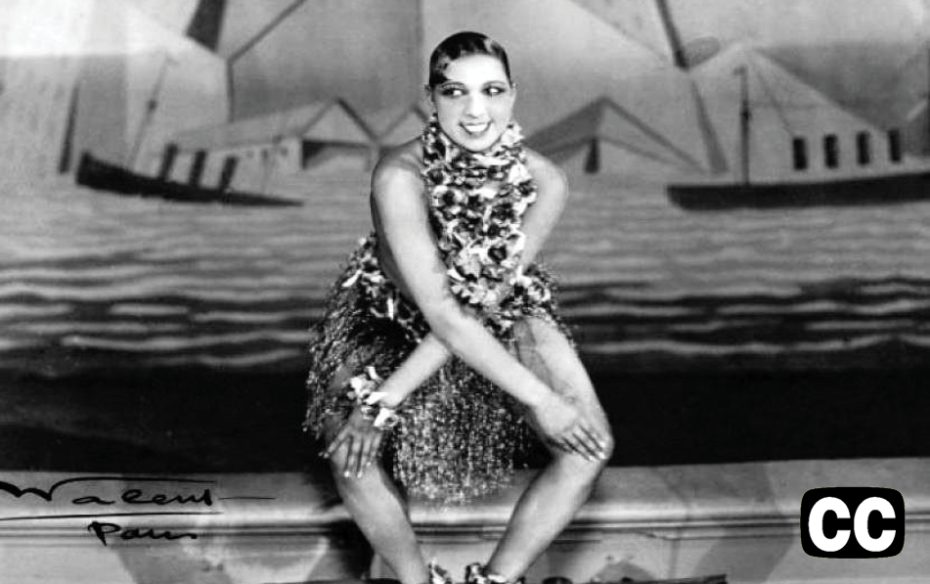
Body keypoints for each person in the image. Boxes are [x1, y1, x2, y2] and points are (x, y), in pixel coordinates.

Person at [303, 31, 614, 584]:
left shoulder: (546, 181)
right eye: (454, 92)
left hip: (493, 313)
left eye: (492, 91)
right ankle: (413, 580)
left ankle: (495, 581)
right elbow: (444, 313)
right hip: (390, 315)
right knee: (350, 454)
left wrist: (544, 399)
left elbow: (484, 301)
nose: (475, 112)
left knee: (590, 445)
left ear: (513, 95)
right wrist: (380, 404)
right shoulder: (399, 177)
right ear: (431, 98)